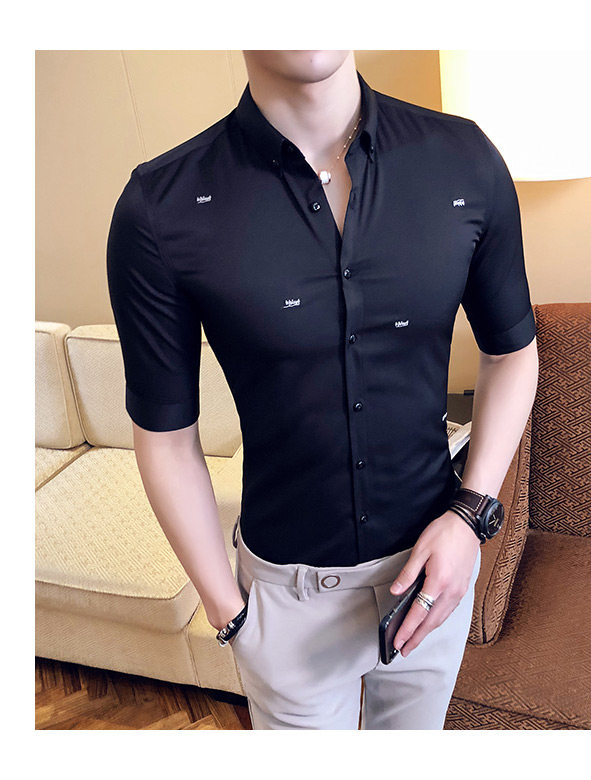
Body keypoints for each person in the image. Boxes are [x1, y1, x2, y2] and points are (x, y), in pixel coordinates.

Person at [106, 50, 539, 730]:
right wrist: (230, 614)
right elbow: (165, 437)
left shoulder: (463, 159)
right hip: (286, 607)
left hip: (433, 572)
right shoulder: (161, 206)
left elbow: (512, 352)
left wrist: (470, 515)